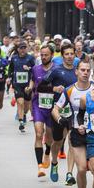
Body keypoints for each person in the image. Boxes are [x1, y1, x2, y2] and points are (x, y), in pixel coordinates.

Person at [52, 60, 93, 188]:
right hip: (76, 132)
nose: (85, 73)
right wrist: (60, 119)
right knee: (81, 169)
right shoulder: (69, 90)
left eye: (88, 70)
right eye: (82, 70)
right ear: (76, 72)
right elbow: (55, 109)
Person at [46, 44, 79, 183]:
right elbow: (42, 85)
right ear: (62, 56)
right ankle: (54, 162)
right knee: (57, 142)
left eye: (72, 53)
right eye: (67, 54)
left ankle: (69, 173)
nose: (70, 56)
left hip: (73, 111)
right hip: (57, 110)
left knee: (71, 140)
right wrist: (54, 88)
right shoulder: (56, 70)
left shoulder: (78, 72)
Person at [29, 45, 56, 178]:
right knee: (39, 134)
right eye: (42, 54)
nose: (44, 57)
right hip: (38, 105)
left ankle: (48, 152)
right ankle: (40, 166)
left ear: (52, 55)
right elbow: (32, 82)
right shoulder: (35, 69)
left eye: (46, 55)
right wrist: (29, 88)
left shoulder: (56, 70)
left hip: (52, 107)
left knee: (49, 136)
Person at [8, 40, 36, 133]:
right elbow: (10, 69)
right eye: (21, 48)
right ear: (18, 49)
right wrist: (9, 78)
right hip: (17, 85)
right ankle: (21, 122)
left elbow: (36, 70)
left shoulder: (30, 58)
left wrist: (29, 68)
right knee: (20, 102)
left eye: (24, 48)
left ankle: (23, 114)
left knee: (27, 107)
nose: (23, 50)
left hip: (27, 85)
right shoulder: (14, 58)